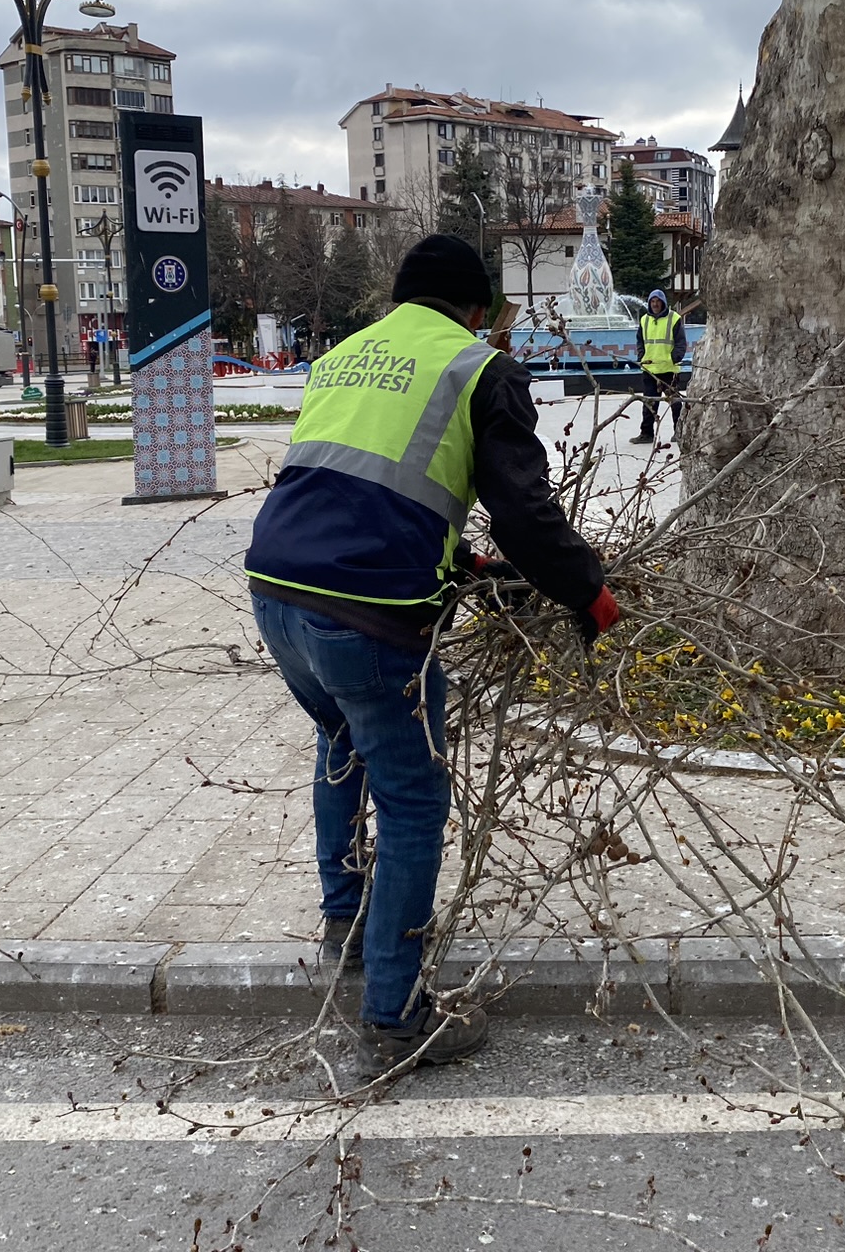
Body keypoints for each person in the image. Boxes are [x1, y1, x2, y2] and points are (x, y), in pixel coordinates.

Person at [246, 235, 621, 1073]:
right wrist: (586, 593)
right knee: (414, 803)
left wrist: (458, 562)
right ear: (480, 309)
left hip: (276, 590)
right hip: (366, 619)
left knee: (340, 744)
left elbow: (363, 486)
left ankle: (346, 919)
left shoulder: (345, 356)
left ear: (399, 297)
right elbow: (524, 512)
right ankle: (394, 1017)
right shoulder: (479, 366)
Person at [631, 289, 687, 445]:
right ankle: (647, 433)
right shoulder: (644, 320)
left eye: (658, 301)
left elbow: (681, 342)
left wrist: (674, 358)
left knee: (675, 403)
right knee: (649, 403)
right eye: (652, 301)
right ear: (649, 303)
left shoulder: (674, 319)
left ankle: (680, 432)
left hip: (669, 369)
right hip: (650, 369)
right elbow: (640, 341)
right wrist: (641, 356)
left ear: (663, 302)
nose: (655, 304)